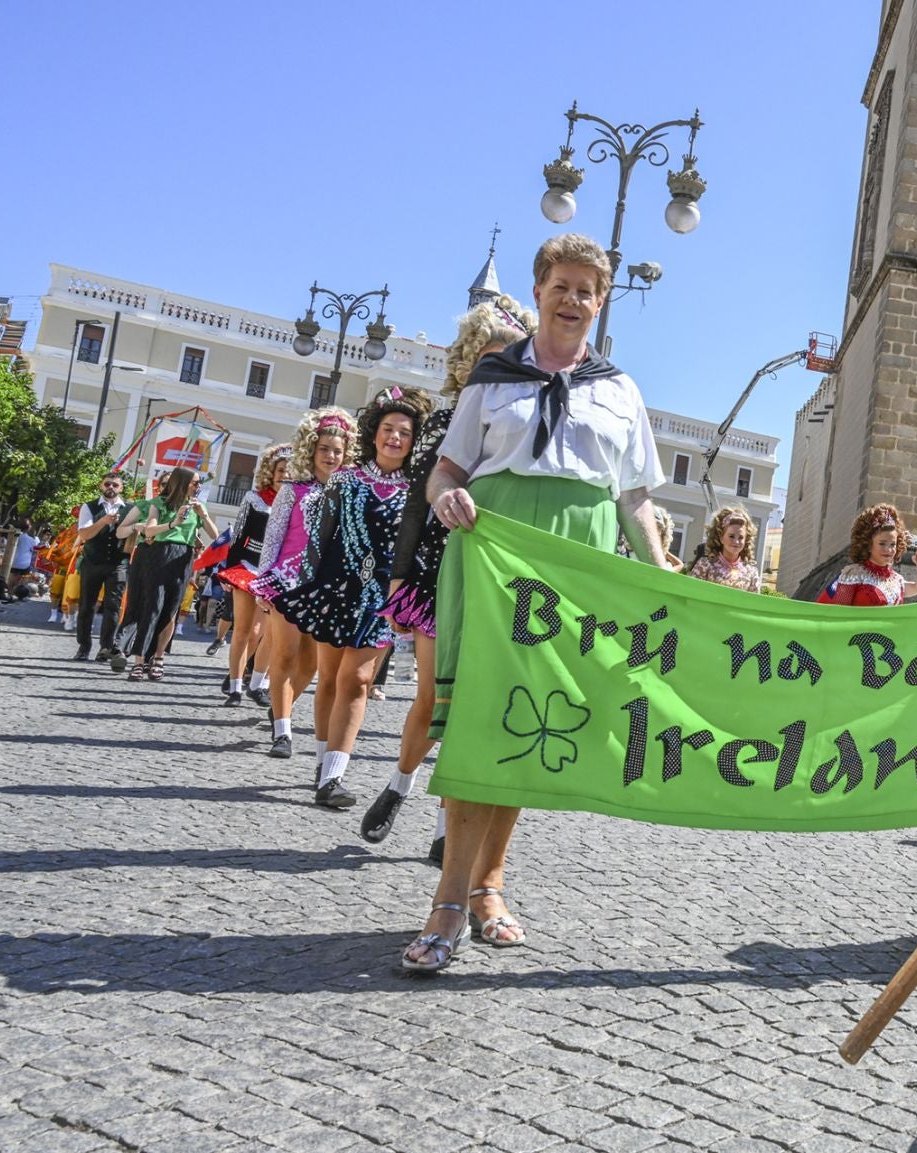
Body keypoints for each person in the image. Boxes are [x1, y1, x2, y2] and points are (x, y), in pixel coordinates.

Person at [402, 233, 672, 974]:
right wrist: (446, 492)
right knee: (480, 721)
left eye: (589, 288)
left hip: (574, 569)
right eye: (562, 283)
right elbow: (448, 466)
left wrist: (661, 568)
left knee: (532, 724)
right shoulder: (492, 378)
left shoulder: (621, 390)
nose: (574, 298)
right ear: (540, 288)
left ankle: (490, 886)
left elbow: (634, 496)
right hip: (494, 556)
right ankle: (448, 903)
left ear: (602, 299)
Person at [365, 296, 535, 858]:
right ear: (468, 362)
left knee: (473, 708)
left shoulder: (529, 419)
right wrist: (397, 574)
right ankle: (399, 785)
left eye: (507, 355)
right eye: (487, 356)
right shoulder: (443, 419)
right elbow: (418, 502)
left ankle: (445, 832)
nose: (497, 364)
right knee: (432, 697)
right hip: (439, 573)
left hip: (498, 577)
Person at [274, 387, 430, 809]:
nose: (395, 437)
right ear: (374, 433)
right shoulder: (345, 481)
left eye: (404, 432)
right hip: (335, 589)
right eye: (387, 429)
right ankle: (323, 764)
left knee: (356, 680)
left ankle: (334, 777)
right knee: (327, 679)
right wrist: (302, 584)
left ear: (414, 441)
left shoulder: (419, 490)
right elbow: (320, 540)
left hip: (382, 596)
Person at [252, 408, 355, 760]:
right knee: (284, 654)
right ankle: (282, 732)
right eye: (325, 449)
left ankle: (282, 709)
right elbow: (273, 537)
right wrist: (262, 583)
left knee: (312, 664)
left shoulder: (349, 494)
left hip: (325, 589)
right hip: (287, 583)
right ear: (312, 451)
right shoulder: (292, 490)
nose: (331, 456)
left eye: (337, 451)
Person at [112, 469, 218, 680]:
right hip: (158, 554)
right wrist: (174, 523)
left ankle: (159, 658)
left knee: (171, 610)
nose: (198, 487)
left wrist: (203, 515)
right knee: (152, 607)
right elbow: (149, 531)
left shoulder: (198, 507)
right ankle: (139, 659)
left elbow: (216, 536)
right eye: (195, 483)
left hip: (182, 558)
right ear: (183, 483)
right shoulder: (159, 503)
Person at [215, 444, 286, 706]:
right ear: (271, 472)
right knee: (244, 629)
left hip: (273, 572)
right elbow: (238, 538)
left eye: (289, 471)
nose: (284, 475)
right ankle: (235, 689)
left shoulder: (296, 500)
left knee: (260, 633)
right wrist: (227, 573)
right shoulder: (254, 499)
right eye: (280, 470)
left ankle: (246, 674)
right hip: (246, 567)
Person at [816, 504, 917, 605]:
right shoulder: (853, 574)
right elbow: (838, 613)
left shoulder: (897, 581)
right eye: (882, 543)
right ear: (868, 545)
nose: (888, 550)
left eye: (893, 544)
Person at [73, 474, 132, 662]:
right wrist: (103, 521)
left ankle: (106, 647)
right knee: (86, 606)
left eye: (115, 485)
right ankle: (84, 646)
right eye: (107, 484)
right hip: (93, 562)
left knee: (113, 606)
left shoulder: (130, 509)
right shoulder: (89, 507)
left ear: (121, 488)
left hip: (118, 564)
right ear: (101, 485)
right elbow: (84, 534)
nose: (111, 487)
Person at [685, 505, 762, 592]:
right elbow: (690, 592)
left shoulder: (751, 573)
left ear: (746, 540)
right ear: (721, 538)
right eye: (731, 536)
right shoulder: (705, 565)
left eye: (740, 537)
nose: (736, 542)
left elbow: (753, 603)